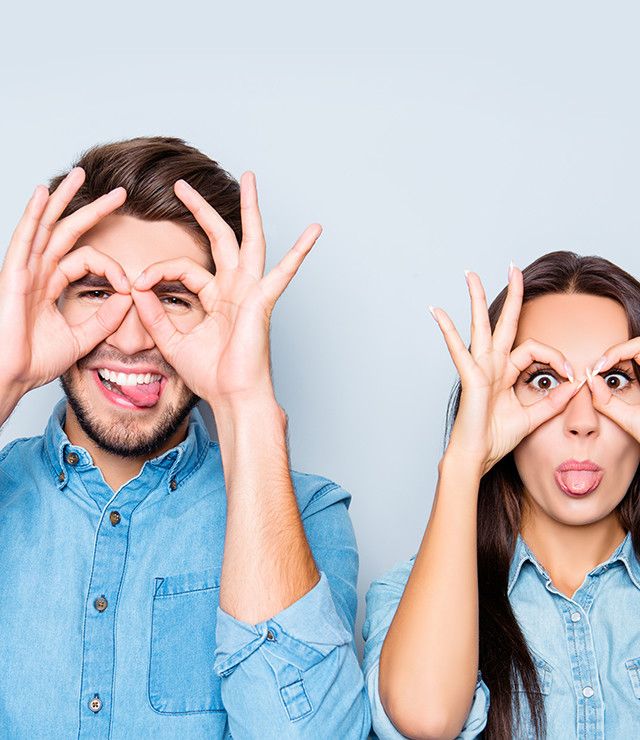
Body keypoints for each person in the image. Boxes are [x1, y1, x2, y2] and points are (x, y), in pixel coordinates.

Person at [0, 137, 370, 738]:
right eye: (97, 292)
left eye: (174, 299)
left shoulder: (306, 514)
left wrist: (244, 403)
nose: (133, 338)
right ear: (52, 303)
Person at [363, 251, 640, 739]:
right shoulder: (407, 595)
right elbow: (425, 720)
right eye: (545, 381)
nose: (581, 422)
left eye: (614, 381)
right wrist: (466, 460)